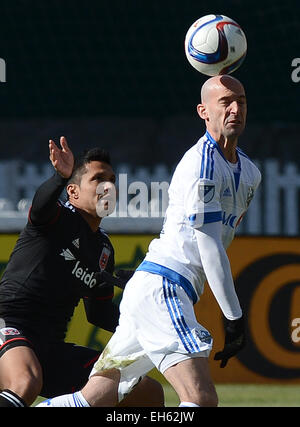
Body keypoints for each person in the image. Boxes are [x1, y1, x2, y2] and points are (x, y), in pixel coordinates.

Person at [37, 75, 261, 408]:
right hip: (164, 290)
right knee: (200, 399)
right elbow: (209, 246)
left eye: (240, 101)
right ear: (204, 111)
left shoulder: (251, 173)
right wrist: (233, 316)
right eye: (224, 102)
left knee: (92, 400)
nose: (234, 108)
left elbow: (213, 240)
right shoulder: (201, 164)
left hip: (155, 289)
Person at [0, 137, 164, 407]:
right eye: (99, 179)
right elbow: (40, 207)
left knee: (147, 393)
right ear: (73, 192)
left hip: (50, 348)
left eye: (112, 180)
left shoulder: (103, 250)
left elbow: (99, 314)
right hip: (9, 325)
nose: (108, 186)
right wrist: (58, 178)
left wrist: (151, 322)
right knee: (26, 381)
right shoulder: (57, 219)